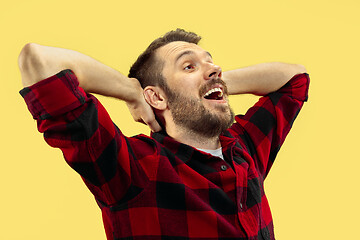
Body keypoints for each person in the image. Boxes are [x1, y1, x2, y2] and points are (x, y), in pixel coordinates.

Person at [19, 29, 309, 240]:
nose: (214, 68)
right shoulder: (134, 168)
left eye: (211, 62)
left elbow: (295, 79)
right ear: (156, 97)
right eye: (188, 66)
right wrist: (128, 90)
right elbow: (39, 61)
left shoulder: (244, 148)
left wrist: (211, 81)